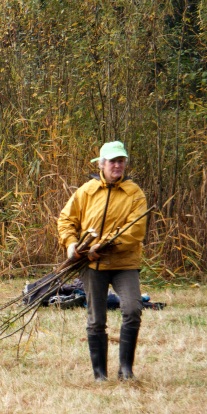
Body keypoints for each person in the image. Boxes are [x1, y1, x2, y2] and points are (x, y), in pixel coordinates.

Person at [58, 141, 148, 381]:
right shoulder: (87, 191)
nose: (117, 165)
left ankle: (126, 370)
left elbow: (135, 230)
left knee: (132, 310)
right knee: (96, 319)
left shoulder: (134, 193)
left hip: (124, 263)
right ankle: (100, 375)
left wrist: (105, 244)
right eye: (112, 161)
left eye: (121, 161)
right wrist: (71, 245)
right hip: (92, 264)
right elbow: (66, 220)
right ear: (101, 164)